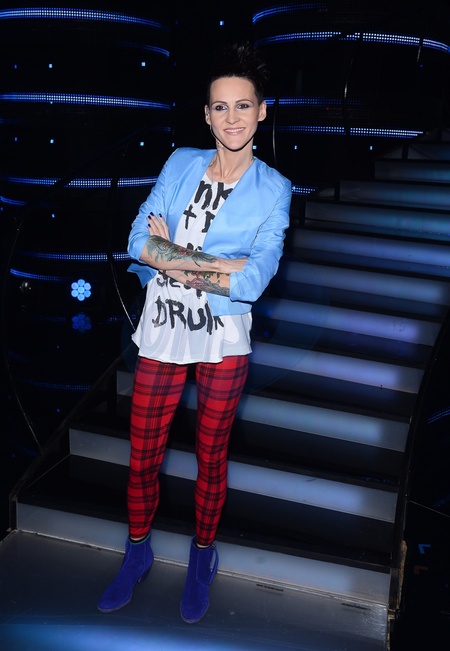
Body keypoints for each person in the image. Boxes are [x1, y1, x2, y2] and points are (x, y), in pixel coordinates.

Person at [97, 41, 292, 624]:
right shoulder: (180, 162)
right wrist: (217, 265)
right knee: (142, 455)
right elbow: (137, 241)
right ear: (206, 115)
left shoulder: (274, 188)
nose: (232, 118)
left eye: (243, 106)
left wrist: (174, 257)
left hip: (222, 336)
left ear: (262, 111)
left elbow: (253, 279)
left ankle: (203, 555)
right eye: (220, 107)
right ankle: (137, 551)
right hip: (163, 327)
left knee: (211, 455)